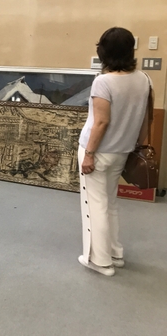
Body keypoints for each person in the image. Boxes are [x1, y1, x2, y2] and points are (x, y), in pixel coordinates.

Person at [78, 27, 151, 276]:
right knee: (110, 203)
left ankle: (100, 261)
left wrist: (89, 154)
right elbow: (146, 120)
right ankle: (115, 253)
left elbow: (101, 122)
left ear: (104, 52)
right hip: (122, 151)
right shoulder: (144, 79)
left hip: (98, 152)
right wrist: (136, 145)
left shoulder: (103, 81)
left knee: (94, 205)